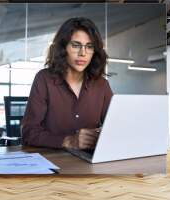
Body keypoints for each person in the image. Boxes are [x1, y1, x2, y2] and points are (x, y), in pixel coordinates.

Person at [21, 17, 113, 150]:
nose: (83, 53)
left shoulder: (102, 85)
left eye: (89, 46)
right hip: (52, 161)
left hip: (89, 161)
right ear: (63, 47)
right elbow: (28, 133)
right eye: (76, 45)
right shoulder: (44, 79)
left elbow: (117, 127)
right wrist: (68, 141)